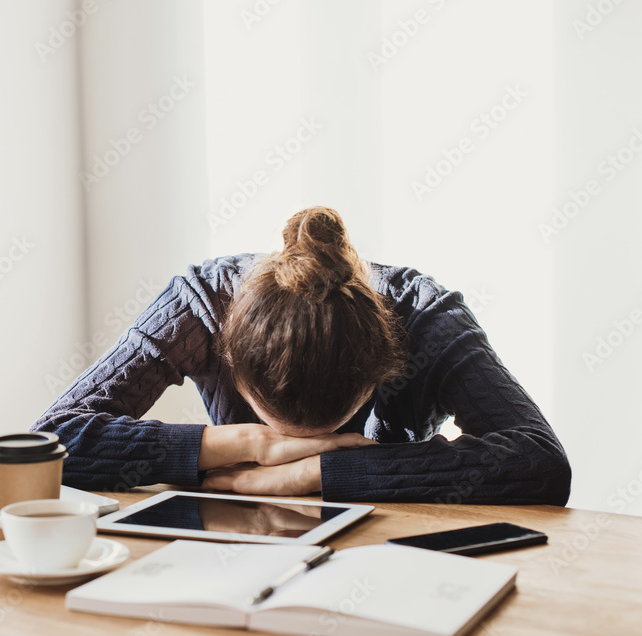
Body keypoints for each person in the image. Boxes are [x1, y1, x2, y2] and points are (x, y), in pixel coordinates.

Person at [31, 207, 571, 505]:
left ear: (385, 363)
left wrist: (317, 473)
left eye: (321, 433)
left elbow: (540, 460)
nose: (296, 446)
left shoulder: (424, 315)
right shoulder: (202, 302)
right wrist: (251, 445)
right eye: (284, 431)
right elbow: (48, 442)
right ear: (230, 353)